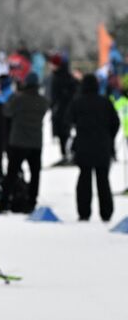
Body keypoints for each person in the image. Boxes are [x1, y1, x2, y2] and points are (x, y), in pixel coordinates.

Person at [68, 74, 120, 222]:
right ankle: (106, 212)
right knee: (103, 180)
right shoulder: (105, 102)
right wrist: (109, 138)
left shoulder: (77, 102)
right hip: (103, 147)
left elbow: (68, 120)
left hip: (83, 147)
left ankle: (84, 212)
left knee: (84, 180)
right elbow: (115, 123)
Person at [1, 73, 49, 213]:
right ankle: (32, 201)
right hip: (35, 142)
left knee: (12, 173)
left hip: (18, 141)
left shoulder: (18, 99)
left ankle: (4, 202)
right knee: (35, 174)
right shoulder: (42, 101)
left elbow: (7, 111)